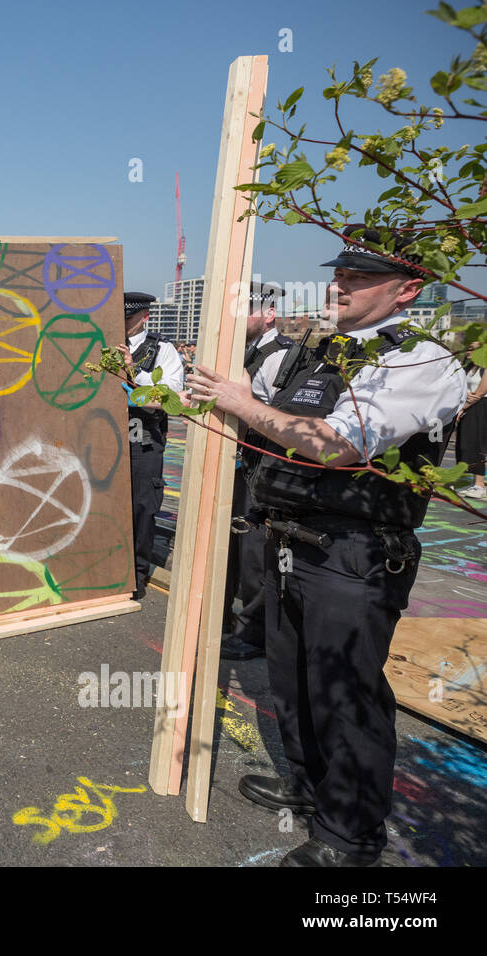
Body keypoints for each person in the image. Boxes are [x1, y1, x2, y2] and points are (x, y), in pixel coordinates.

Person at [185, 230, 466, 866]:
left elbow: (337, 444)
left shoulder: (417, 360)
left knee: (345, 694)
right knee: (295, 682)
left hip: (354, 551)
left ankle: (349, 837)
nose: (339, 285)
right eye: (338, 274)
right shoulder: (322, 353)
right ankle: (313, 791)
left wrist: (242, 402)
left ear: (407, 290)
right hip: (288, 540)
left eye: (358, 279)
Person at [220, 282, 296, 661]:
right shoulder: (244, 352)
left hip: (262, 465)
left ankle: (255, 633)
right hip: (240, 462)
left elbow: (278, 420)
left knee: (255, 551)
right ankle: (234, 621)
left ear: (268, 314)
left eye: (246, 310)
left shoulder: (279, 356)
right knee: (234, 546)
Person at [117, 292, 184, 600]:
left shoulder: (162, 349)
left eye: (127, 319)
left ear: (143, 316)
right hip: (107, 432)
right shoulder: (103, 342)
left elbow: (171, 396)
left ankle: (136, 574)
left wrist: (134, 371)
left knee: (142, 506)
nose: (121, 324)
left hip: (142, 435)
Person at [456, 355, 487, 499]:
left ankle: (480, 484)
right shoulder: (468, 366)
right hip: (469, 407)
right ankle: (471, 482)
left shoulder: (485, 367)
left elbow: (480, 393)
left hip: (480, 409)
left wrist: (463, 407)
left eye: (473, 348)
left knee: (476, 445)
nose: (469, 350)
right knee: (466, 445)